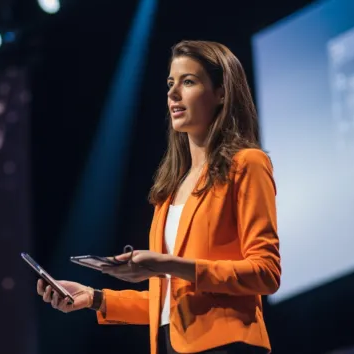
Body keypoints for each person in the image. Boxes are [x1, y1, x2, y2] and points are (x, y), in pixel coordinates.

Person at [36, 40, 281, 354]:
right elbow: (170, 302)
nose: (173, 93)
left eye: (188, 82)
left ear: (221, 92)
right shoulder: (168, 193)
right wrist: (94, 297)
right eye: (170, 83)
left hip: (228, 345)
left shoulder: (247, 164)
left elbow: (265, 273)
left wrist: (168, 264)